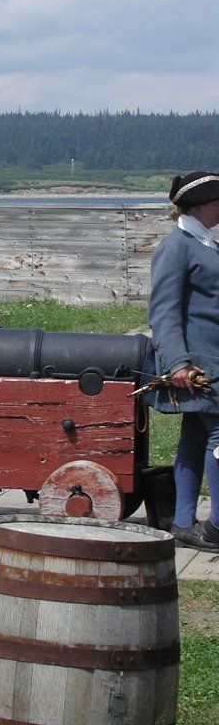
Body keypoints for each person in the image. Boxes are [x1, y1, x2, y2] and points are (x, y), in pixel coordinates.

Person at [147, 171, 219, 551]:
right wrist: (176, 363)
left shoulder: (204, 243)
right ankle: (216, 528)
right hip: (201, 365)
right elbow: (163, 312)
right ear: (204, 206)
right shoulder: (177, 246)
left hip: (212, 362)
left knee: (195, 438)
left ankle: (182, 522)